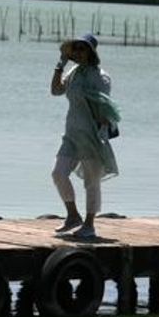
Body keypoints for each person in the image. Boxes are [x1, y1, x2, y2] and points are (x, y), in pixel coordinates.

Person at [50, 33, 120, 239]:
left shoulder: (101, 77)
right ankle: (73, 216)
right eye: (76, 49)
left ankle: (89, 225)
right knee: (58, 173)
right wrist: (60, 65)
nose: (78, 52)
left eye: (82, 48)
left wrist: (102, 129)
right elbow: (56, 90)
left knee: (91, 182)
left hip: (92, 136)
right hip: (71, 133)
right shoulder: (74, 72)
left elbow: (104, 107)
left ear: (91, 52)